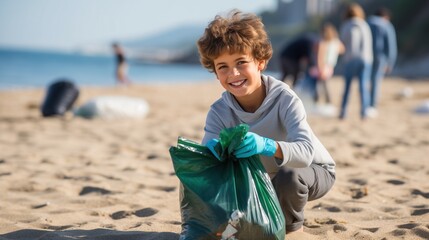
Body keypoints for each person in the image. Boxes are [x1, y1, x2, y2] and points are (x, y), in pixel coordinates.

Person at [197, 10, 336, 234]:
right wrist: (210, 155)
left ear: (260, 62)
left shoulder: (285, 99)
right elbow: (207, 164)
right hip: (264, 181)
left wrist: (266, 145)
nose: (233, 73)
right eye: (222, 66)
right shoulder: (219, 112)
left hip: (312, 171)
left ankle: (292, 231)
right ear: (215, 72)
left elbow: (306, 153)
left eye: (241, 62)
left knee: (290, 176)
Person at [339, 3, 373, 120]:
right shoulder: (364, 25)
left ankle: (343, 112)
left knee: (347, 87)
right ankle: (364, 112)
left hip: (351, 59)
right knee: (363, 86)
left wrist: (348, 54)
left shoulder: (347, 25)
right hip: (366, 59)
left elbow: (350, 41)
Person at [367, 7, 397, 117]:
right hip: (381, 58)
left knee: (365, 81)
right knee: (375, 82)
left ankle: (365, 106)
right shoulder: (386, 25)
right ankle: (372, 106)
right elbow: (391, 45)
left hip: (367, 56)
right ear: (385, 17)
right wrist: (390, 62)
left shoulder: (367, 23)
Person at [309, 23, 345, 105]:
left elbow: (320, 56)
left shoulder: (322, 42)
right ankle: (327, 101)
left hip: (323, 66)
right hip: (330, 66)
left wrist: (320, 68)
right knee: (324, 84)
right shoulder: (336, 42)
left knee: (319, 85)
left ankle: (319, 101)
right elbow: (342, 49)